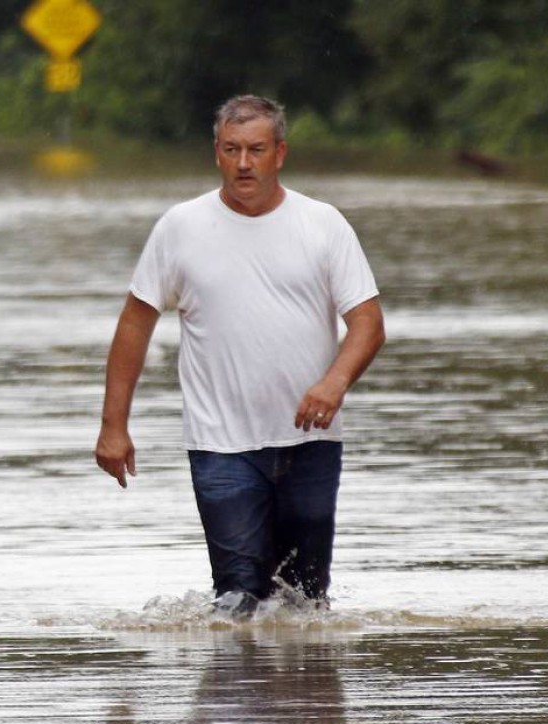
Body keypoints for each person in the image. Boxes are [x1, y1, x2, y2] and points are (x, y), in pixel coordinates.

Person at [94, 94, 385, 619]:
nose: (244, 163)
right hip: (220, 444)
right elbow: (136, 323)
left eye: (256, 149)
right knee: (238, 598)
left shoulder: (323, 224)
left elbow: (367, 323)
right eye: (232, 150)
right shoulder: (180, 228)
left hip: (311, 442)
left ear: (280, 153)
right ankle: (239, 694)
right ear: (217, 153)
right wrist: (113, 426)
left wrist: (334, 383)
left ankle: (303, 700)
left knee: (304, 603)